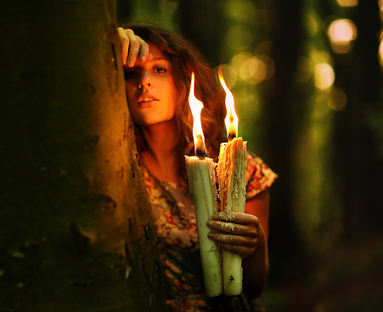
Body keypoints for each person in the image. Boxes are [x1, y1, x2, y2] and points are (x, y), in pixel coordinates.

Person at [118, 21, 277, 312]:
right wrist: (104, 43)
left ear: (182, 79)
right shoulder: (116, 167)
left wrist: (255, 247)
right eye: (131, 73)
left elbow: (254, 288)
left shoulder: (241, 170)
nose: (144, 82)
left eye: (159, 69)